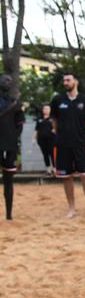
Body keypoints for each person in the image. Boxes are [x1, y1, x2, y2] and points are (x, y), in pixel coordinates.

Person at [50, 72, 85, 219]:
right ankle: (71, 208)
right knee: (66, 177)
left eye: (68, 80)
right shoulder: (57, 100)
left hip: (80, 144)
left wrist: (78, 132)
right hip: (62, 144)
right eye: (64, 80)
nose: (65, 83)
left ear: (76, 81)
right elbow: (54, 121)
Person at [0, 75, 24, 220]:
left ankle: (9, 215)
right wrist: (10, 109)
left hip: (10, 146)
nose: (8, 82)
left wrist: (13, 136)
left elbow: (20, 123)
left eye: (10, 80)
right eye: (5, 79)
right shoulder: (12, 105)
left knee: (9, 180)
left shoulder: (14, 102)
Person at [33, 104, 56, 176]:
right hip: (41, 140)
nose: (46, 110)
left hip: (51, 139)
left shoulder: (53, 118)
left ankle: (54, 169)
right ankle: (48, 170)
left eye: (48, 109)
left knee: (52, 154)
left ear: (50, 110)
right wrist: (33, 138)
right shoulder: (39, 119)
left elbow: (58, 127)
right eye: (45, 109)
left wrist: (55, 130)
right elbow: (36, 130)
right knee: (45, 154)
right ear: (42, 110)